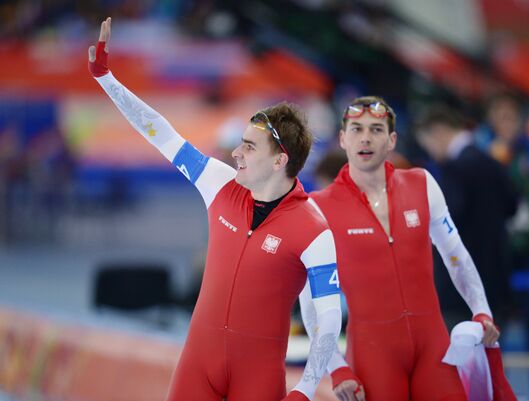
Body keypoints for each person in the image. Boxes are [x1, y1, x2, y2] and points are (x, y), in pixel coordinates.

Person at [88, 17, 342, 401]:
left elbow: (328, 320)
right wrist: (106, 78)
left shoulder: (314, 231)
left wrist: (305, 390)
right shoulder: (219, 183)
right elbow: (161, 132)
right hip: (198, 366)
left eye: (249, 147)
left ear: (279, 161)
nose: (236, 153)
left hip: (257, 377)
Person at [306, 96, 500, 401]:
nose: (366, 137)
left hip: (433, 345)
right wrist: (337, 368)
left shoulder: (422, 183)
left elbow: (456, 256)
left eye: (376, 129)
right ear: (343, 139)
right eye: (356, 129)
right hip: (373, 352)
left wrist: (481, 311)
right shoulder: (319, 207)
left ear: (391, 140)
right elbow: (311, 301)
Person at [415, 105, 518, 325]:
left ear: (439, 132)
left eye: (428, 144)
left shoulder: (453, 170)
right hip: (497, 280)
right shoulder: (493, 163)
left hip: (461, 293)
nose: (430, 151)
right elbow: (513, 206)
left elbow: (444, 226)